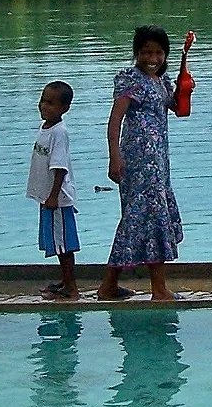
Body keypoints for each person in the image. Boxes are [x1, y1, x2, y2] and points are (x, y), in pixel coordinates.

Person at [98, 25, 186, 302]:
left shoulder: (161, 81)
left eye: (159, 52)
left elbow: (180, 110)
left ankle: (109, 286)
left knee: (137, 220)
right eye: (147, 52)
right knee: (146, 218)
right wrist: (115, 156)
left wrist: (186, 88)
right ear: (136, 53)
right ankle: (158, 289)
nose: (153, 57)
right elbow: (115, 121)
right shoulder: (131, 80)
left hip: (158, 161)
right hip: (139, 160)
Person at [28, 80, 80, 300]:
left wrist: (52, 196)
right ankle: (65, 281)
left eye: (50, 103)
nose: (44, 106)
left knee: (63, 244)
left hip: (57, 199)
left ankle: (71, 287)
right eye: (43, 101)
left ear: (64, 109)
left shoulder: (59, 132)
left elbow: (59, 168)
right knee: (57, 243)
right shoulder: (45, 128)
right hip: (47, 197)